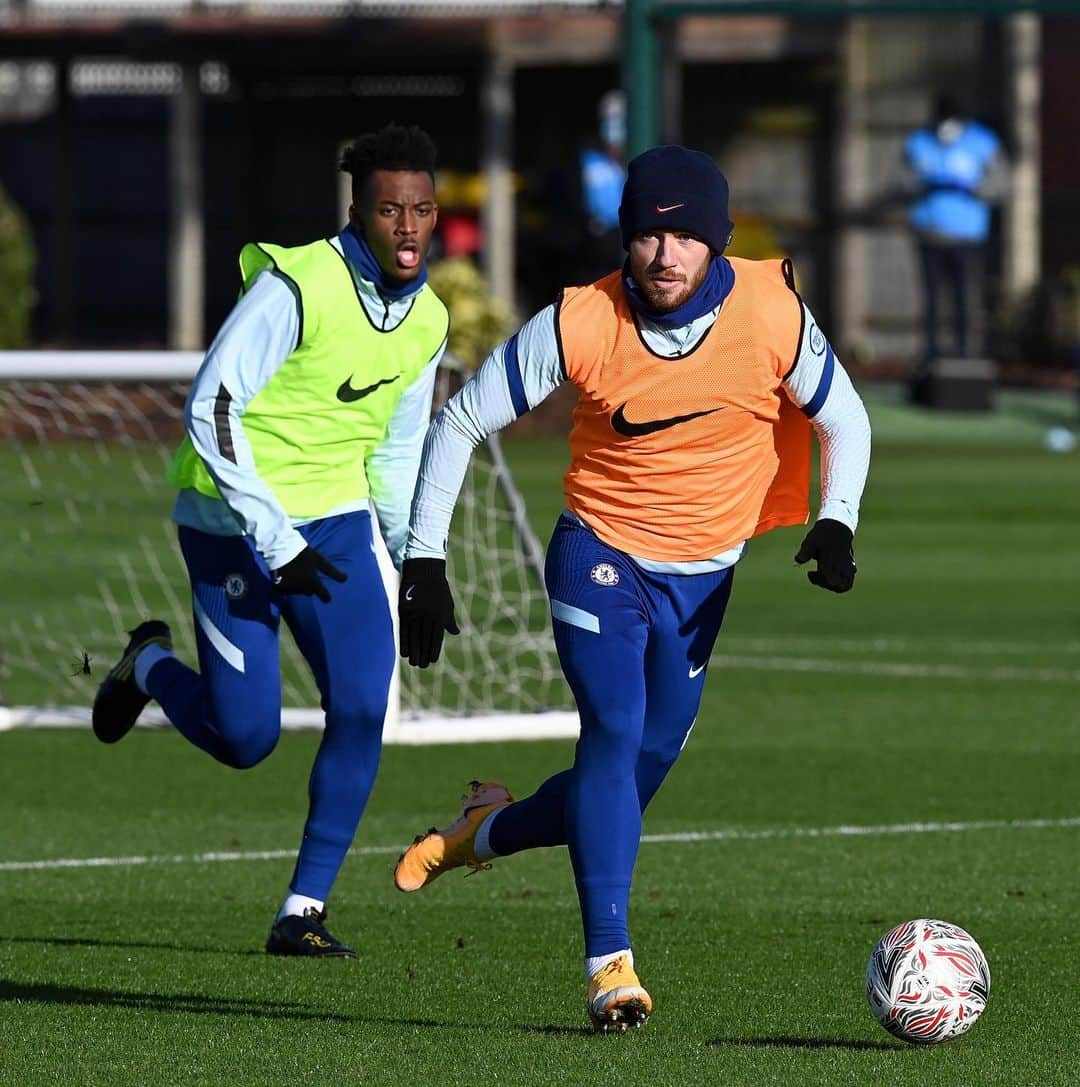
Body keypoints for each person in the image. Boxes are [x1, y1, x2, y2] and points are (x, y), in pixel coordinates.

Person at [392, 145, 872, 1031]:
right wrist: (425, 558)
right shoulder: (583, 320)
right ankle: (610, 965)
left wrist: (835, 518)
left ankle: (482, 830)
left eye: (685, 236)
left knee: (629, 777)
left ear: (718, 243)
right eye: (648, 235)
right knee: (610, 730)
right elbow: (461, 418)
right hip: (599, 553)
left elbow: (843, 414)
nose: (664, 255)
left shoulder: (773, 311)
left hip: (703, 578)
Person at [91, 123, 448, 957]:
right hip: (231, 527)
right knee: (245, 738)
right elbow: (209, 407)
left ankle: (302, 911)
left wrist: (413, 560)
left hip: (333, 522)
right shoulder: (296, 285)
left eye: (423, 209)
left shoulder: (429, 318)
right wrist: (273, 537)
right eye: (391, 209)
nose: (407, 226)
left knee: (363, 706)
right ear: (359, 210)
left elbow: (395, 450)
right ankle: (147, 662)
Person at [900, 94, 1009, 388]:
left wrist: (972, 188)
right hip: (930, 234)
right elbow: (903, 181)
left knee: (965, 298)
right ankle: (932, 354)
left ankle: (966, 355)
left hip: (968, 237)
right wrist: (926, 183)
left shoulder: (983, 143)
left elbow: (1001, 185)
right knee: (933, 300)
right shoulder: (919, 142)